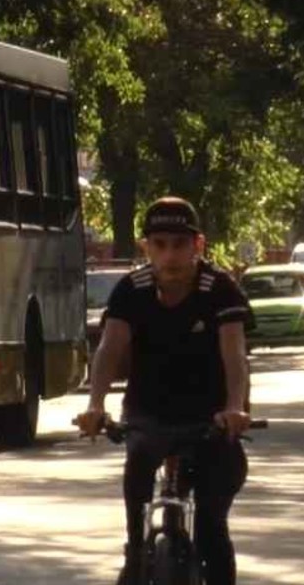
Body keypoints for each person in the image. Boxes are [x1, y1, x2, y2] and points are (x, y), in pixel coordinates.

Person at [75, 196, 253, 585]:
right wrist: (94, 405)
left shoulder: (220, 289)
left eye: (179, 244)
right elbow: (110, 347)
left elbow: (234, 353)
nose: (169, 255)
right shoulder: (130, 290)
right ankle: (137, 556)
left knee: (210, 528)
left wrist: (235, 409)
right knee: (137, 509)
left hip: (212, 418)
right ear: (146, 248)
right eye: (159, 245)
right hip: (148, 414)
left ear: (198, 245)